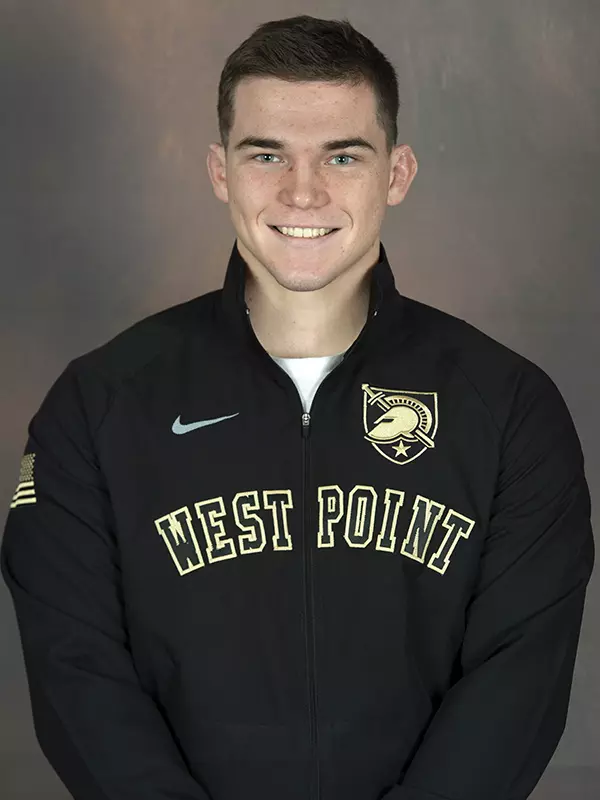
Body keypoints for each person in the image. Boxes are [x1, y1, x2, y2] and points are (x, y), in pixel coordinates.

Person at [1, 14, 595, 800]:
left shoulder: (512, 409)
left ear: (398, 172)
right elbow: (76, 672)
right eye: (266, 154)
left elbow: (518, 681)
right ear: (220, 171)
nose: (302, 191)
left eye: (343, 155)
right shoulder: (97, 406)